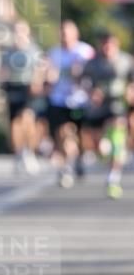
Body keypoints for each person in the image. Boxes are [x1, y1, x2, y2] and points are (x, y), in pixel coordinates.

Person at [82, 32, 133, 199]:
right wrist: (91, 92)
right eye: (104, 45)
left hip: (117, 104)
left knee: (117, 136)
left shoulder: (126, 60)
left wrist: (130, 92)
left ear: (116, 45)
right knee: (99, 146)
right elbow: (83, 81)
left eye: (110, 45)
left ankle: (113, 177)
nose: (107, 48)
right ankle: (106, 155)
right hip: (98, 107)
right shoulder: (92, 63)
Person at [45, 21, 94, 188]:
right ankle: (66, 168)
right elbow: (48, 75)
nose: (64, 37)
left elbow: (93, 74)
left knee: (79, 135)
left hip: (79, 100)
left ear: (75, 34)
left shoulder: (85, 51)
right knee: (64, 133)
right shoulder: (54, 53)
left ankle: (78, 158)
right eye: (62, 33)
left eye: (67, 33)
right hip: (59, 100)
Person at [0, 19, 44, 174]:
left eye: (21, 30)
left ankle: (30, 152)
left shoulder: (33, 49)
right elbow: (2, 70)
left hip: (28, 87)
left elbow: (40, 67)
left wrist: (37, 82)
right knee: (15, 124)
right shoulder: (8, 52)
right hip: (13, 86)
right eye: (16, 31)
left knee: (27, 119)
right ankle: (19, 153)